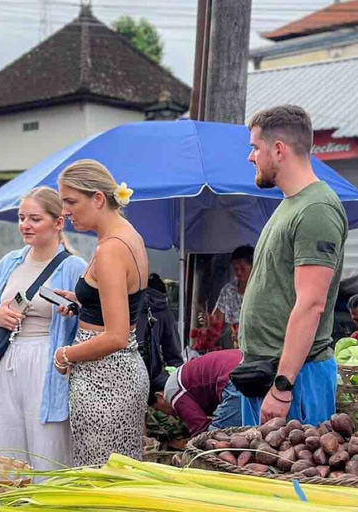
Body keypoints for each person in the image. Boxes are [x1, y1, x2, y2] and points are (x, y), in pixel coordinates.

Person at [239, 105, 348, 426]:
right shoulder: (292, 204)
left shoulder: (316, 209)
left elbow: (312, 304)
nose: (250, 157)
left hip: (296, 379)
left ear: (278, 149)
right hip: (268, 373)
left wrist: (283, 386)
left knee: (296, 462)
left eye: (255, 148)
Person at [0, 187, 86, 470]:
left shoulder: (74, 266)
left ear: (58, 223)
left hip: (49, 361)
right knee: (8, 445)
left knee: (47, 447)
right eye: (22, 218)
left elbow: (90, 322)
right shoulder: (9, 262)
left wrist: (73, 311)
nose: (25, 225)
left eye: (35, 219)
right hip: (9, 358)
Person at [53, 159, 150, 467]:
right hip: (121, 374)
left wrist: (65, 355)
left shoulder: (110, 250)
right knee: (116, 474)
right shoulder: (128, 235)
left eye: (71, 202)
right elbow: (123, 300)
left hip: (105, 379)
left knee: (98, 478)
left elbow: (116, 336)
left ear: (97, 198)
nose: (65, 211)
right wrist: (83, 301)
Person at [153, 349, 243, 437]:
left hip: (234, 377)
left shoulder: (171, 390)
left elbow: (200, 429)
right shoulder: (186, 375)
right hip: (245, 364)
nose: (168, 415)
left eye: (159, 410)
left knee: (215, 435)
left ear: (159, 397)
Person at [135, 273, 184, 407]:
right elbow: (173, 354)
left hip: (127, 375)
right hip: (152, 377)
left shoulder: (129, 307)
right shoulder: (165, 312)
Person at [195, 245, 254, 352]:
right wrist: (209, 320)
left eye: (242, 268)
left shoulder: (261, 290)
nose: (239, 272)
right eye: (236, 269)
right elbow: (217, 320)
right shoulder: (228, 290)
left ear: (253, 267)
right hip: (231, 347)